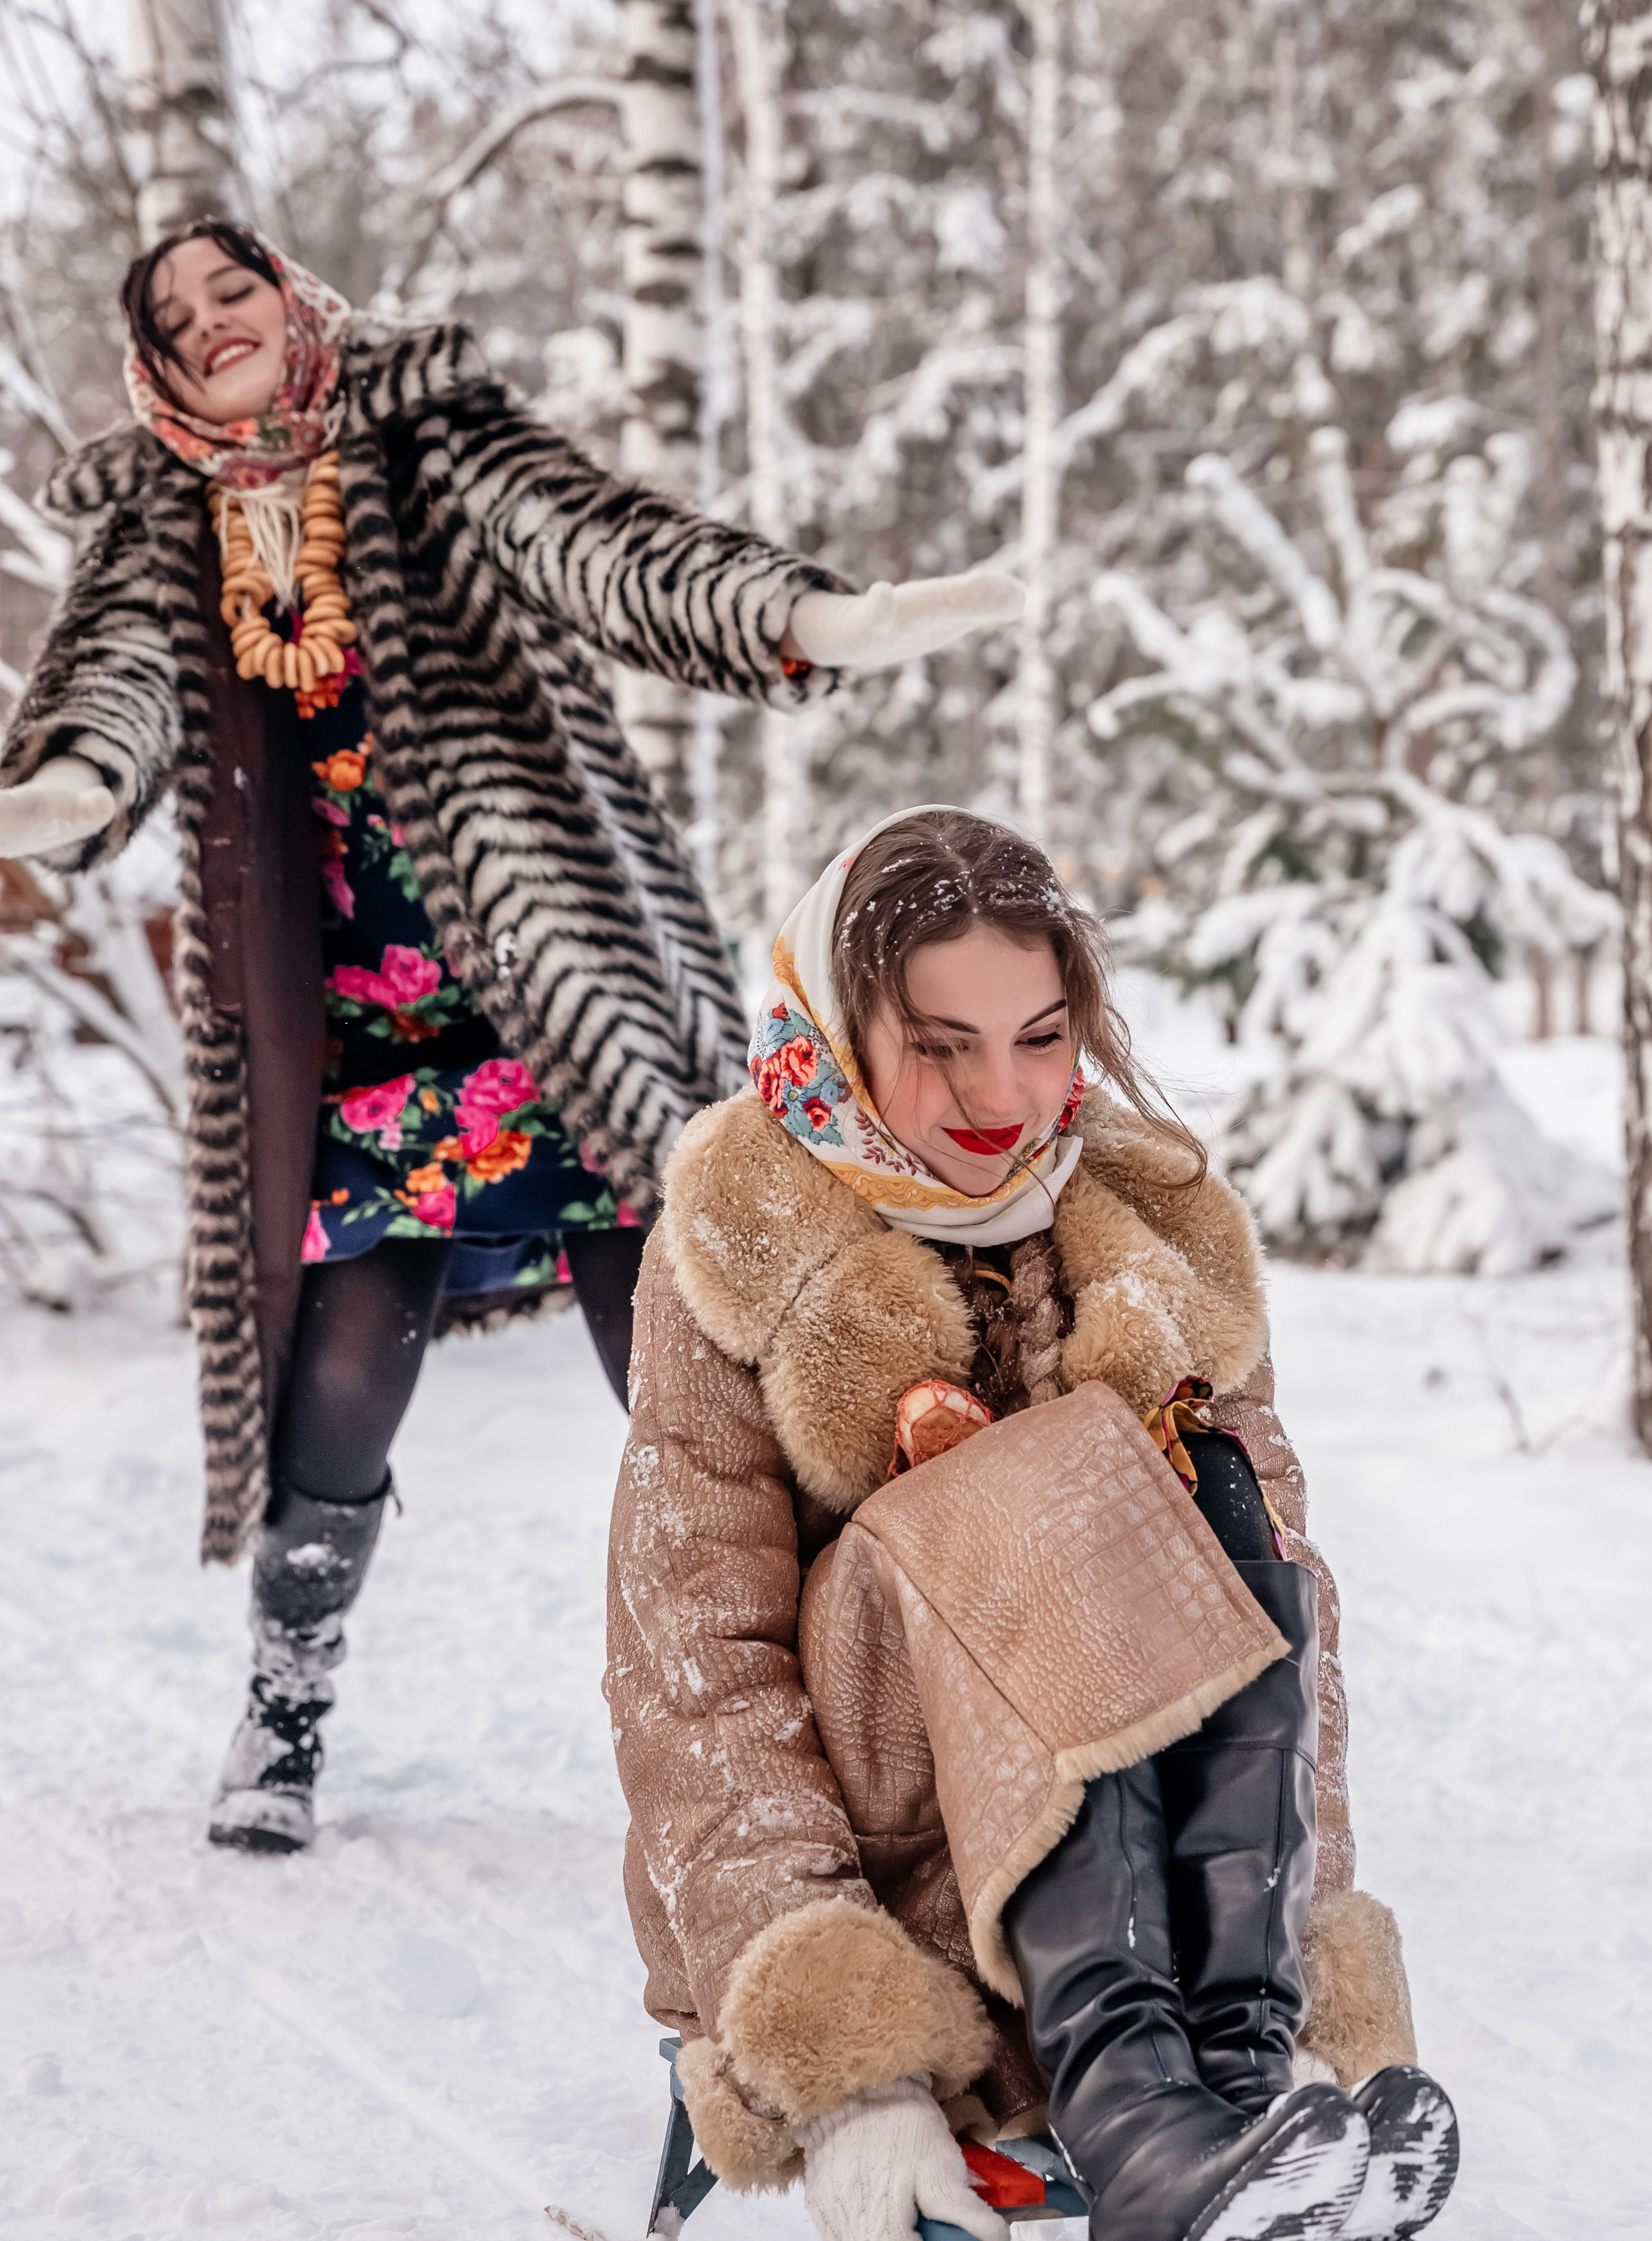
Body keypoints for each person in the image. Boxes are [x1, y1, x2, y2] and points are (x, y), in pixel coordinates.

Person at [0, 222, 1022, 1854]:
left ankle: (882, 1710)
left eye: (233, 291)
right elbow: (116, 688)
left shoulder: (428, 434)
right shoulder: (153, 527)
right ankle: (284, 1705)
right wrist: (55, 792)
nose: (213, 329)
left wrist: (810, 620)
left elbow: (605, 550)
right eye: (174, 320)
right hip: (353, 1043)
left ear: (289, 298)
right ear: (157, 362)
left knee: (699, 1374)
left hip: (564, 1002)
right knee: (331, 1395)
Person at [604, 806, 1459, 2241]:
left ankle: (1226, 2079)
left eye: (1040, 1037)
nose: (1002, 1099)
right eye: (940, 1048)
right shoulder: (729, 1248)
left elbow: (1287, 1630)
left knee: (1213, 1496)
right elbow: (692, 1669)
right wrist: (839, 2048)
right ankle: (1141, 2118)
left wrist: (1301, 1923)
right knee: (1051, 1469)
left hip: (1170, 1863)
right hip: (893, 1839)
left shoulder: (1146, 1239)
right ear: (840, 1036)